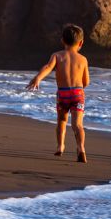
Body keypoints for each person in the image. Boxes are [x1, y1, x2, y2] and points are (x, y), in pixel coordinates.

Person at [26, 24, 91, 164]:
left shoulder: (57, 55)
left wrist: (38, 78)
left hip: (63, 94)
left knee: (62, 120)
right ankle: (81, 148)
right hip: (78, 93)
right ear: (81, 43)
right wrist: (79, 89)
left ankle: (60, 146)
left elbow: (48, 67)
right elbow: (86, 81)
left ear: (62, 40)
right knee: (77, 125)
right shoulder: (83, 59)